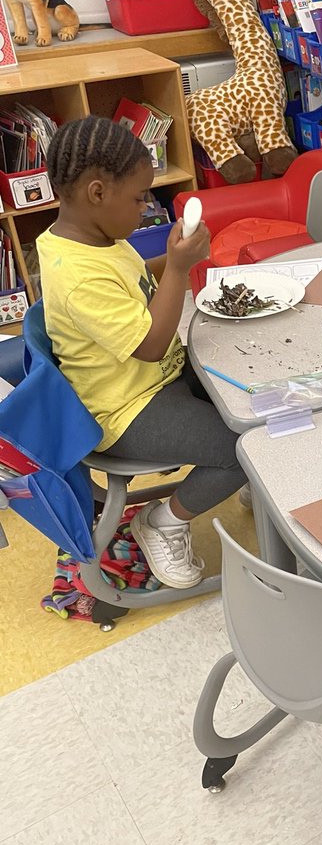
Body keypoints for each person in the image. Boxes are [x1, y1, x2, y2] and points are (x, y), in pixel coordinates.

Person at [37, 115, 246, 589]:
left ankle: (250, 477)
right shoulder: (78, 274)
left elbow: (131, 282)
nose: (145, 207)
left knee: (246, 388)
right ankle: (161, 523)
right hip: (122, 411)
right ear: (96, 193)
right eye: (138, 198)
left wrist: (172, 261)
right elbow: (150, 347)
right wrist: (177, 269)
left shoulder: (94, 238)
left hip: (152, 383)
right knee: (240, 447)